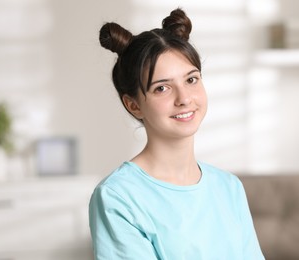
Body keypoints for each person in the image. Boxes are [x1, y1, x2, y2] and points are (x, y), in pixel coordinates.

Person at [89, 8, 264, 260]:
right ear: (134, 104)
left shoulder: (229, 188)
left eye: (191, 80)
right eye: (162, 88)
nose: (184, 99)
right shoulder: (118, 197)